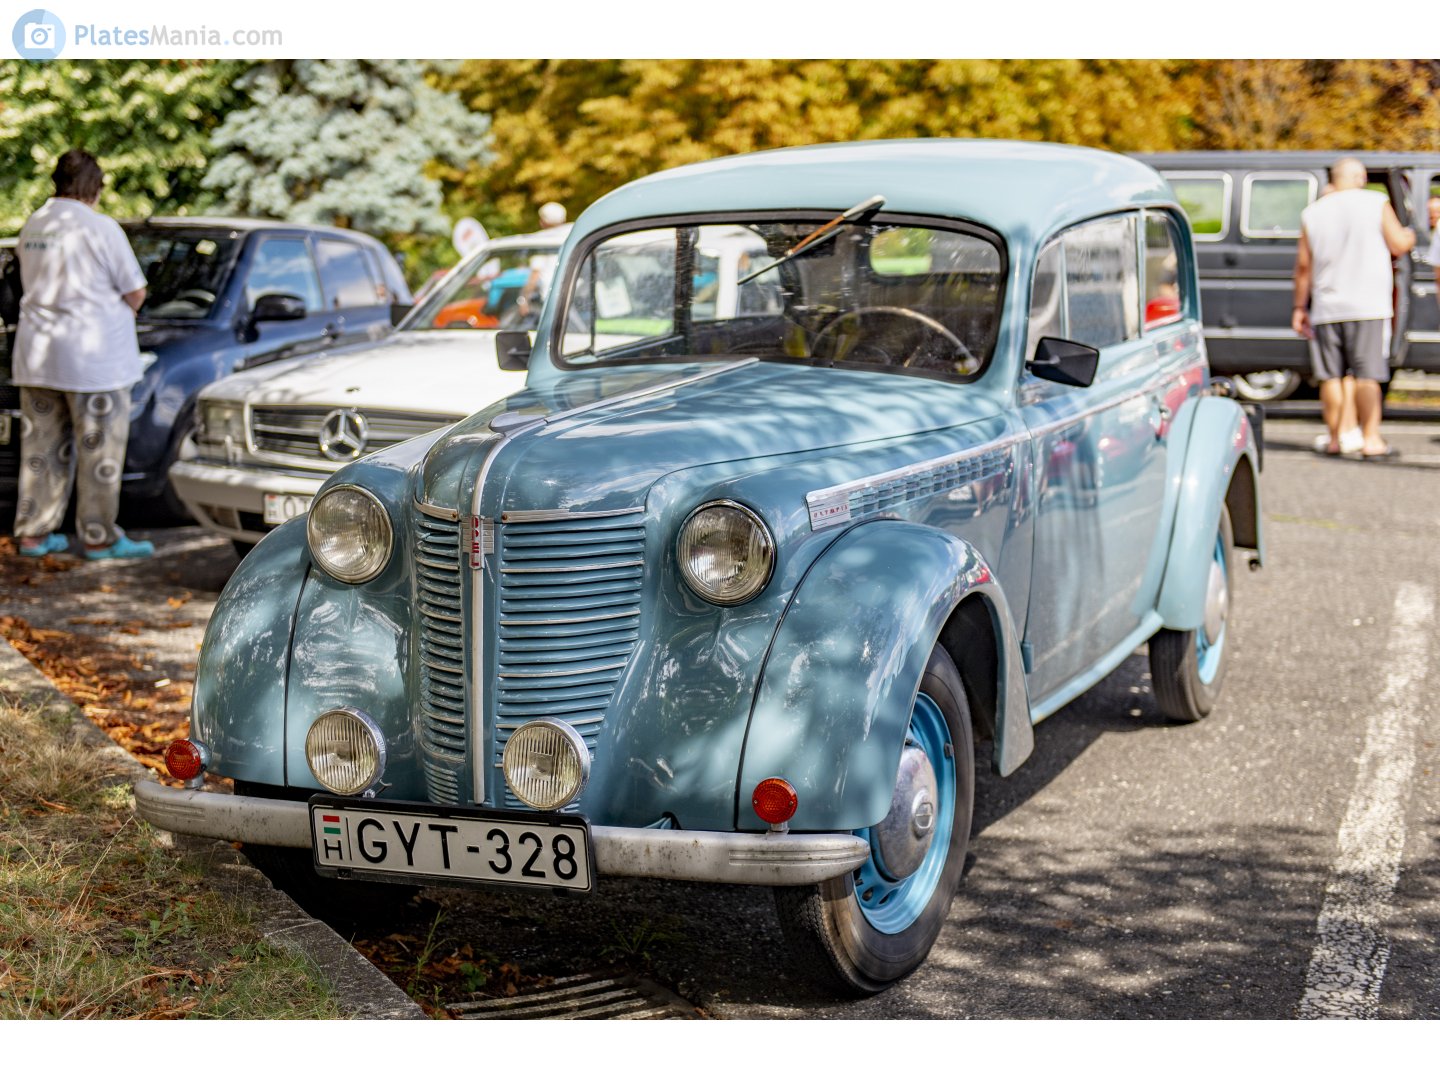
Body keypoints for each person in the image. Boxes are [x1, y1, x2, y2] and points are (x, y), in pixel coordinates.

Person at [11, 149, 155, 559]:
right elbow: (136, 292)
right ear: (93, 186)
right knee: (99, 453)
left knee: (40, 451)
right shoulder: (100, 228)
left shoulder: (34, 224)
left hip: (38, 356)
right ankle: (99, 537)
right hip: (95, 362)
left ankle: (34, 534)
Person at [1292, 157, 1415, 459]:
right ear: (1360, 177)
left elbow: (1303, 267)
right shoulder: (1376, 202)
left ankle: (1335, 438)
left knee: (1330, 376)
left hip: (1327, 305)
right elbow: (1398, 243)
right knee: (1368, 374)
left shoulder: (1313, 212)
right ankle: (1371, 439)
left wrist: (1299, 307)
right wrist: (1412, 235)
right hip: (1368, 304)